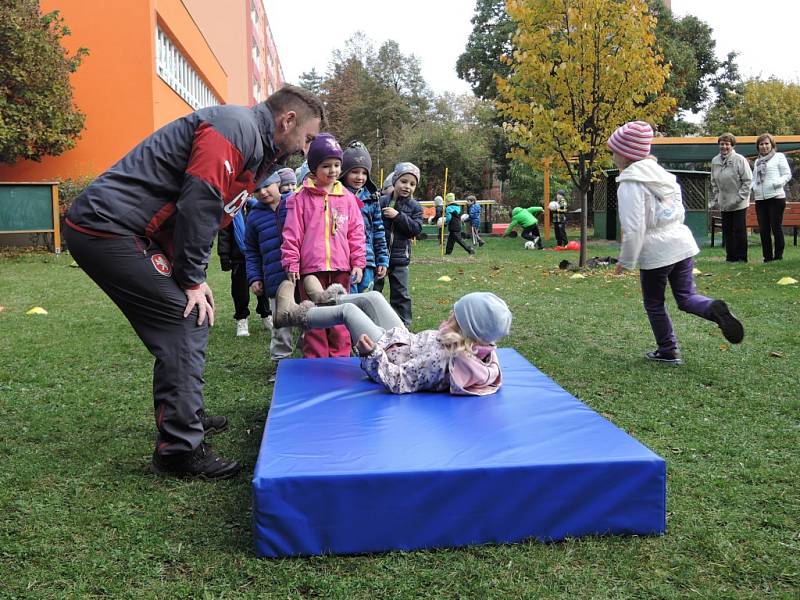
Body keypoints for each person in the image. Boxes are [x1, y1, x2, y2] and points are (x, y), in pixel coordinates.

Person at [64, 84, 325, 480]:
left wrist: (187, 274)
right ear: (287, 120)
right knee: (183, 316)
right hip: (106, 227)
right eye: (306, 138)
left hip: (132, 231)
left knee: (194, 315)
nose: (305, 150)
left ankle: (188, 417)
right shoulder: (235, 128)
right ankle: (178, 450)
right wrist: (189, 278)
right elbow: (200, 202)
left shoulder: (253, 147)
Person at [608, 121, 744, 365]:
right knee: (686, 297)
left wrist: (626, 261)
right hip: (681, 243)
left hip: (656, 251)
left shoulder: (630, 183)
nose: (612, 156)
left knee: (654, 302)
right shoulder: (664, 176)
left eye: (614, 151)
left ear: (627, 154)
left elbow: (634, 227)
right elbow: (678, 210)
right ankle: (713, 307)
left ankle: (668, 350)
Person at [274, 281, 511, 395]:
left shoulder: (441, 360)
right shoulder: (477, 346)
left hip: (387, 353)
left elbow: (399, 380)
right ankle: (323, 300)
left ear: (466, 327)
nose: (450, 312)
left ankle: (291, 315)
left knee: (349, 313)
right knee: (374, 297)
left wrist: (373, 355)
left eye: (456, 313)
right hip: (403, 341)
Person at [281, 133, 367, 358]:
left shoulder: (347, 198)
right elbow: (292, 233)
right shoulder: (300, 198)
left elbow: (356, 232)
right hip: (311, 270)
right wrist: (291, 262)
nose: (333, 171)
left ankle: (340, 359)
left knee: (340, 317)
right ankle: (316, 362)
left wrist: (358, 261)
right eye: (326, 166)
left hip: (340, 269)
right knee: (313, 318)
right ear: (313, 168)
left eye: (337, 165)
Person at [244, 172, 296, 373]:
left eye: (266, 186)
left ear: (277, 182)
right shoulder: (254, 216)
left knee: (308, 321)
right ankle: (281, 365)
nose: (263, 192)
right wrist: (255, 277)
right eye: (256, 189)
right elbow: (252, 250)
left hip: (299, 276)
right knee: (281, 324)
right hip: (275, 279)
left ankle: (307, 362)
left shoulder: (294, 203)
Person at [374, 162, 424, 327]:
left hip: (400, 259)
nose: (407, 186)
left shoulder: (415, 207)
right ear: (394, 181)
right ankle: (373, 324)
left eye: (412, 184)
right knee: (374, 292)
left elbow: (416, 229)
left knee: (400, 294)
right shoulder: (381, 202)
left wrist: (398, 216)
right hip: (379, 258)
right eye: (404, 181)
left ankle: (403, 327)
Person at [217, 195, 271, 337]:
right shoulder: (230, 210)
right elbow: (224, 233)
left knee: (263, 288)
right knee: (240, 291)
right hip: (238, 258)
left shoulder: (259, 208)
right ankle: (242, 318)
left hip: (259, 255)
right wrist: (224, 255)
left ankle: (266, 314)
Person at [338, 141, 389, 293]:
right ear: (344, 172)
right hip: (344, 260)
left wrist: (382, 259)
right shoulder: (337, 196)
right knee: (348, 302)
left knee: (366, 300)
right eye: (355, 172)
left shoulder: (372, 199)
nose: (360, 177)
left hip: (368, 260)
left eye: (364, 172)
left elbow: (379, 231)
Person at [710, 133, 752, 262]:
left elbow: (748, 181)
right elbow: (713, 181)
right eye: (722, 144)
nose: (724, 146)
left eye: (727, 144)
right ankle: (730, 257)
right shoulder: (715, 161)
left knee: (739, 230)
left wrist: (739, 198)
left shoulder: (740, 159)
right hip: (724, 202)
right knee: (727, 231)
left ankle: (741, 257)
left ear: (732, 145)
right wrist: (717, 196)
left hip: (739, 201)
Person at [751, 133, 793, 262]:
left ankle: (778, 256)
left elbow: (787, 174)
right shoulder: (757, 161)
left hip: (776, 197)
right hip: (760, 199)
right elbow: (754, 179)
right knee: (763, 229)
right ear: (758, 147)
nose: (764, 146)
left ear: (772, 145)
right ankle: (767, 257)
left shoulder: (779, 157)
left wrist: (778, 183)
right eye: (761, 144)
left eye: (766, 144)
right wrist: (754, 187)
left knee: (776, 227)